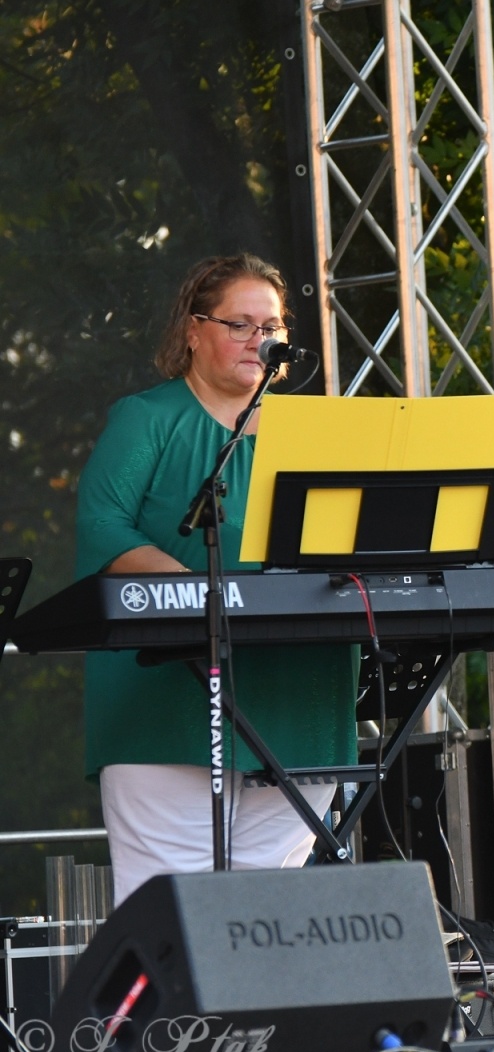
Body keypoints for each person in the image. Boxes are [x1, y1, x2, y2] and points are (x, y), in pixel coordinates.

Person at [76, 253, 357, 908]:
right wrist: (197, 593)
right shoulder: (148, 418)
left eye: (274, 326)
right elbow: (103, 527)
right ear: (194, 329)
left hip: (296, 700)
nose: (263, 341)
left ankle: (255, 1017)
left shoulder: (315, 431)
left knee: (268, 911)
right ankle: (174, 1019)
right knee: (166, 907)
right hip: (165, 700)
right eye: (242, 324)